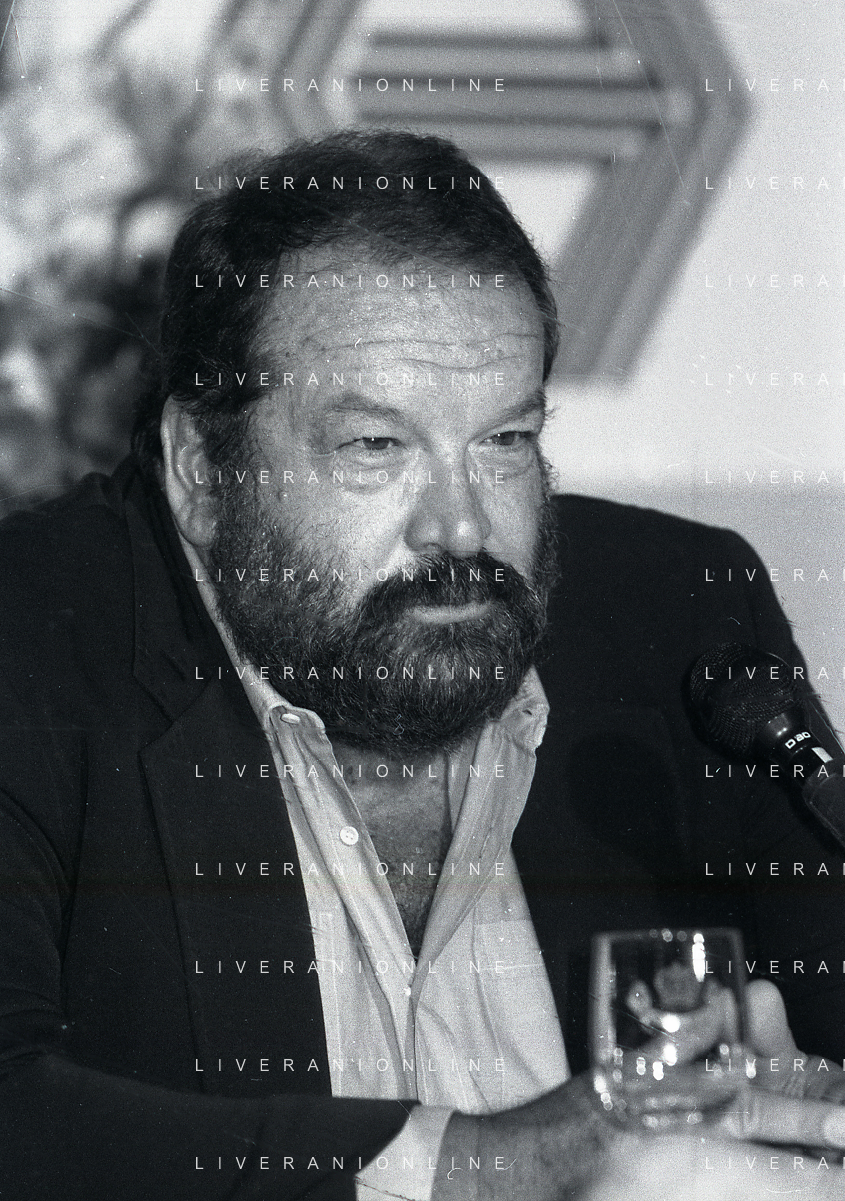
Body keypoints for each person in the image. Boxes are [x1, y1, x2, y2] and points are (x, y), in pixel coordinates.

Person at [1, 129, 844, 1200]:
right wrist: (488, 1166)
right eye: (375, 447)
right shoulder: (31, 641)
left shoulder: (676, 621)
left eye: (503, 441)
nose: (461, 527)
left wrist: (811, 1116)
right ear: (202, 473)